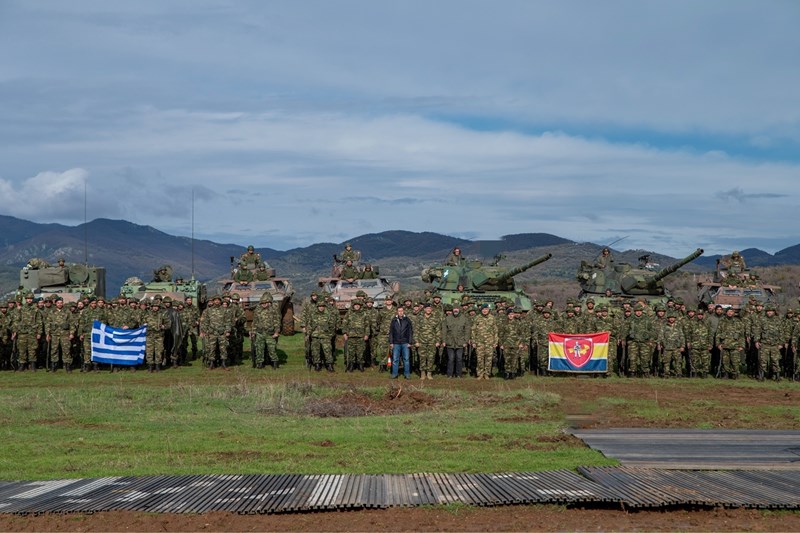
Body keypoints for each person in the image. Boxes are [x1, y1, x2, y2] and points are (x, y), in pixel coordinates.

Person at [442, 303, 469, 378]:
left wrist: (465, 341)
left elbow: (467, 331)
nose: (455, 310)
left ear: (459, 309)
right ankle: (450, 374)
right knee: (450, 359)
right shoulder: (447, 318)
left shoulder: (464, 318)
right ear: (452, 310)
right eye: (454, 309)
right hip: (450, 342)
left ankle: (458, 374)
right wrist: (443, 341)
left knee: (459, 359)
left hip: (460, 342)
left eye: (457, 309)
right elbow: (444, 330)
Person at [389, 306, 414, 379]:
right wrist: (391, 342)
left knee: (406, 359)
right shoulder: (394, 320)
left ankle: (407, 374)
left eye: (402, 311)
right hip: (396, 343)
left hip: (405, 342)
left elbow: (410, 332)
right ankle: (394, 374)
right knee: (395, 359)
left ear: (403, 311)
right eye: (399, 311)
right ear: (397, 312)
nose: (400, 312)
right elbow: (391, 332)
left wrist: (409, 342)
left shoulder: (407, 320)